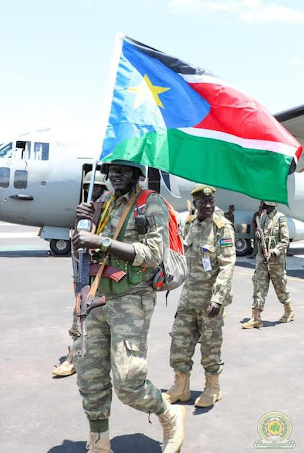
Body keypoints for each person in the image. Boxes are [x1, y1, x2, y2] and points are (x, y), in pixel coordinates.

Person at [71, 160, 185, 453]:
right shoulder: (104, 202)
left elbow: (152, 254)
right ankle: (99, 444)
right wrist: (83, 225)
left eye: (122, 169)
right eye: (111, 170)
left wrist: (101, 240)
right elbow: (84, 251)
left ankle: (170, 415)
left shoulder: (151, 204)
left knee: (128, 384)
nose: (114, 175)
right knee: (90, 377)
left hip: (131, 299)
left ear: (137, 174)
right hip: (96, 297)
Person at [166, 185, 235, 409]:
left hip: (210, 301)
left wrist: (218, 298)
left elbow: (227, 265)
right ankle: (181, 387)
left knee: (210, 346)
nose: (207, 206)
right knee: (180, 342)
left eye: (211, 202)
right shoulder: (189, 225)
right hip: (188, 298)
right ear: (194, 204)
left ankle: (213, 387)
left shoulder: (222, 228)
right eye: (203, 202)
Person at [52, 170, 110, 378]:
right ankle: (75, 356)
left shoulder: (107, 215)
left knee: (95, 321)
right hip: (83, 277)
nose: (92, 194)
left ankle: (82, 357)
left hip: (104, 278)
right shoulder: (84, 215)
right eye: (88, 189)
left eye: (98, 190)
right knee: (79, 317)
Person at [241, 201, 294, 328]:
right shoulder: (262, 217)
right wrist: (258, 236)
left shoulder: (280, 218)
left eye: (266, 204)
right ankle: (256, 317)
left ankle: (289, 310)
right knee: (259, 286)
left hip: (276, 261)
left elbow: (285, 240)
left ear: (272, 205)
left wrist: (274, 252)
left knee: (280, 287)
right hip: (262, 259)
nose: (263, 205)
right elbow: (262, 236)